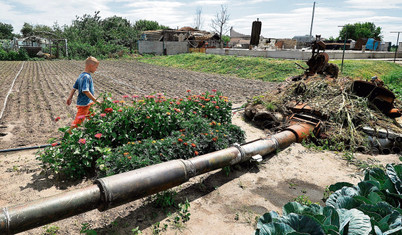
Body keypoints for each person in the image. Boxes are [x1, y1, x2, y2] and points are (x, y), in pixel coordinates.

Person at [66, 56, 100, 133]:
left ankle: (96, 130)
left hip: (87, 103)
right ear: (91, 65)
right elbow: (86, 91)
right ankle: (68, 134)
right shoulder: (86, 77)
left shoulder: (81, 75)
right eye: (96, 67)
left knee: (92, 117)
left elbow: (74, 87)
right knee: (78, 121)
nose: (96, 69)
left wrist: (70, 97)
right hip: (84, 104)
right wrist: (96, 101)